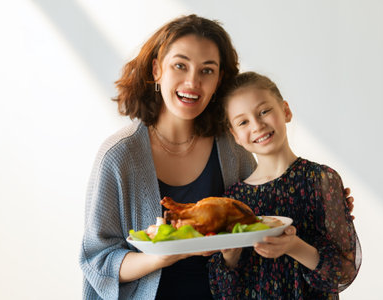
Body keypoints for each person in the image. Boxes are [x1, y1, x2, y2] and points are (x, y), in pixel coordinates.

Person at [79, 15, 355, 300]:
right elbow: (97, 261)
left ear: (219, 79)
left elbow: (256, 212)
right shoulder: (119, 156)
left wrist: (325, 202)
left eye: (207, 70)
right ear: (157, 69)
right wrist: (165, 254)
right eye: (180, 65)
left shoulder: (232, 146)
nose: (192, 81)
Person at [208, 71, 361, 299]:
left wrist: (293, 246)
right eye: (243, 122)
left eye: (264, 111)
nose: (257, 125)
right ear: (235, 135)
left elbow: (343, 270)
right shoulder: (233, 200)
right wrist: (230, 256)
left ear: (286, 111)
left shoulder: (321, 179)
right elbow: (223, 292)